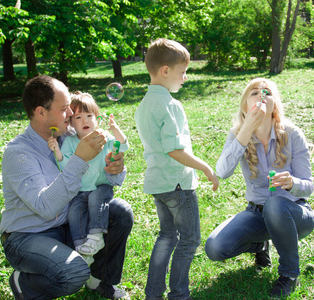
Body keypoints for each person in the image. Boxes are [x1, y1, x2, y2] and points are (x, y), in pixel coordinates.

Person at [0, 75, 133, 300]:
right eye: (65, 109)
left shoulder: (69, 136)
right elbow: (45, 206)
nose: (72, 114)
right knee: (74, 273)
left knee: (119, 211)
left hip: (69, 224)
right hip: (29, 236)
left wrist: (116, 167)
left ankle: (100, 280)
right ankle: (25, 282)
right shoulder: (18, 153)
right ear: (41, 112)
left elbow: (99, 174)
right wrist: (79, 159)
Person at [205, 78, 314, 298]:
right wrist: (246, 130)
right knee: (215, 248)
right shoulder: (238, 133)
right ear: (246, 105)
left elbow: (309, 186)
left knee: (276, 203)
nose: (261, 96)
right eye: (254, 93)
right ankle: (260, 246)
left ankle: (289, 275)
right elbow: (223, 172)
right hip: (257, 213)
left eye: (267, 92)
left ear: (274, 104)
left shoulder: (292, 134)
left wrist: (292, 183)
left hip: (296, 215)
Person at [135, 38, 219, 300]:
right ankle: (179, 294)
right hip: (178, 185)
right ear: (165, 71)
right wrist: (205, 167)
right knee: (190, 239)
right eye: (182, 72)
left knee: (167, 236)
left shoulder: (143, 105)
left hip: (158, 184)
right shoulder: (170, 105)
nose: (184, 78)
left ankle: (153, 293)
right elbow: (174, 150)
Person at [47, 91, 129, 263]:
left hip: (101, 186)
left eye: (89, 115)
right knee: (74, 213)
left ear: (97, 118)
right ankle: (82, 249)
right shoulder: (70, 142)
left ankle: (96, 236)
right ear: (70, 123)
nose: (85, 121)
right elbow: (66, 167)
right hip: (80, 190)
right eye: (78, 117)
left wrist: (116, 130)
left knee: (96, 200)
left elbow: (122, 146)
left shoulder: (103, 137)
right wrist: (57, 151)